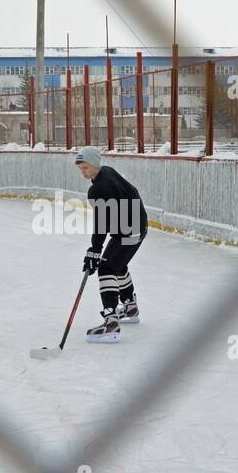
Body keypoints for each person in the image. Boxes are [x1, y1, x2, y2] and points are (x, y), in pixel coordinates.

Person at [74, 145, 146, 343]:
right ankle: (130, 307)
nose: (83, 172)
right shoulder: (108, 172)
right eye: (81, 168)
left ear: (96, 165)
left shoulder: (98, 189)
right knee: (118, 265)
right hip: (138, 228)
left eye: (86, 168)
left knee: (106, 268)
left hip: (126, 231)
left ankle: (111, 322)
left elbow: (102, 222)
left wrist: (95, 251)